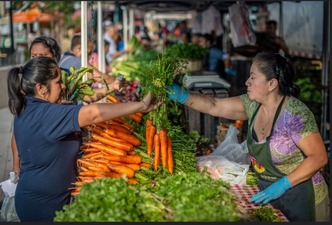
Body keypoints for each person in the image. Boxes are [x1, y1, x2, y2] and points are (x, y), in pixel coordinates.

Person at [166, 52, 329, 222]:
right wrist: (182, 96)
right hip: (269, 194)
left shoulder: (295, 114)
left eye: (253, 77)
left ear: (271, 84)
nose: (247, 82)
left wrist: (283, 185)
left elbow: (319, 157)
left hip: (302, 196)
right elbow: (215, 105)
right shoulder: (253, 105)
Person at [7, 56, 156, 222]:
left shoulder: (28, 107)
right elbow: (92, 113)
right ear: (41, 88)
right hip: (43, 208)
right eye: (58, 82)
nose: (63, 86)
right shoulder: (46, 114)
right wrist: (141, 106)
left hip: (36, 199)